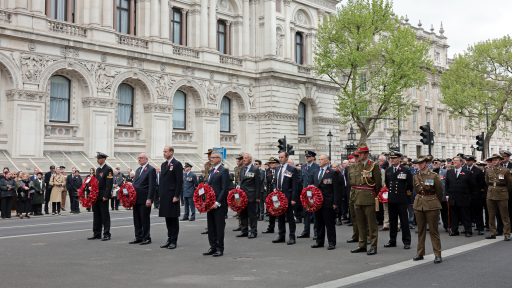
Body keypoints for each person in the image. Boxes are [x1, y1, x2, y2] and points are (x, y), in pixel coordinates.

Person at [350, 143, 381, 255]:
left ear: (367, 154)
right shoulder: (356, 166)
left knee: (371, 224)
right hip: (357, 197)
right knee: (360, 223)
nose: (360, 155)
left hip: (369, 198)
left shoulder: (373, 166)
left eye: (362, 153)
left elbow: (378, 184)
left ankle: (373, 246)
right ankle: (362, 244)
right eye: (359, 153)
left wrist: (373, 195)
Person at [412, 156, 443, 264]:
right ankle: (420, 253)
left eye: (422, 163)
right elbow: (416, 190)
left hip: (431, 204)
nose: (419, 165)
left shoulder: (433, 176)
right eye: (418, 163)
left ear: (426, 164)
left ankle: (437, 254)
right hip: (419, 204)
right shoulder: (416, 176)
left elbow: (439, 191)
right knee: (421, 230)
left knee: (433, 231)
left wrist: (435, 202)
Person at [202, 150, 230, 257]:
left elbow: (224, 189)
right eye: (211, 157)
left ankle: (220, 248)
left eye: (213, 157)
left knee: (219, 227)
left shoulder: (223, 171)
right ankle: (212, 246)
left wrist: (218, 203)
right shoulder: (211, 170)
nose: (211, 159)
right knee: (211, 226)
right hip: (210, 203)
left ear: (219, 159)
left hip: (218, 204)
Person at [384, 151, 413, 249]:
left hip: (401, 199)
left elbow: (410, 185)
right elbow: (387, 184)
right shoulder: (388, 170)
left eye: (394, 158)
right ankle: (392, 240)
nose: (392, 160)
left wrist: (406, 195)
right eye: (391, 158)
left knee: (404, 221)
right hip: (392, 198)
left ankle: (406, 241)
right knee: (392, 221)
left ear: (399, 159)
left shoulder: (405, 170)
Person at [311, 154, 341, 250]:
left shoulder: (332, 172)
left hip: (328, 202)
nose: (319, 161)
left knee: (329, 224)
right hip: (317, 203)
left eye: (322, 159)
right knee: (319, 223)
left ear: (327, 161)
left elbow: (336, 188)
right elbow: (314, 187)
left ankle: (331, 242)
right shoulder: (316, 172)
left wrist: (336, 203)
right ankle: (319, 241)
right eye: (319, 159)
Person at [159, 146, 183, 249]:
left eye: (165, 151)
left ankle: (174, 240)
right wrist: (160, 194)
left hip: (172, 195)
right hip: (165, 195)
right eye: (163, 151)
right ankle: (169, 239)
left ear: (171, 152)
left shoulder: (177, 164)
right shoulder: (163, 164)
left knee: (173, 219)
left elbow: (179, 181)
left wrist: (176, 195)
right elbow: (162, 181)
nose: (164, 153)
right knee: (167, 218)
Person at [129, 153, 156, 245]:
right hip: (136, 199)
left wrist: (149, 199)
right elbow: (135, 184)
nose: (139, 159)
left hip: (145, 199)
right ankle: (138, 237)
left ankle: (146, 237)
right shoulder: (138, 169)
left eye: (141, 158)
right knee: (136, 219)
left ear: (146, 159)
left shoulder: (151, 169)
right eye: (139, 158)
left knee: (144, 219)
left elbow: (152, 186)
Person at [445, 156, 475, 237]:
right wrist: (447, 194)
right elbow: (447, 184)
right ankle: (454, 230)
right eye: (453, 161)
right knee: (454, 215)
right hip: (453, 197)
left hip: (463, 197)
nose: (454, 162)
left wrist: (469, 195)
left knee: (465, 215)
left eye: (456, 161)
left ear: (461, 162)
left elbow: (472, 185)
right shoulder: (449, 172)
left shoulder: (467, 172)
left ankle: (468, 231)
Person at [272, 151, 298, 245]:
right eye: (279, 157)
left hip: (288, 196)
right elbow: (275, 181)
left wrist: (294, 198)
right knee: (280, 217)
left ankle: (292, 237)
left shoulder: (292, 169)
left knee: (290, 217)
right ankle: (281, 235)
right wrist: (274, 187)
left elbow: (295, 185)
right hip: (278, 196)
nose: (280, 159)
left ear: (287, 158)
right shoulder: (277, 168)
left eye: (282, 157)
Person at [87, 152, 114, 241]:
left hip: (103, 195)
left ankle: (106, 233)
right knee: (96, 214)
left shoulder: (108, 169)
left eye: (99, 158)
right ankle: (97, 233)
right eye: (97, 158)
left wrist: (106, 195)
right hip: (96, 195)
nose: (98, 160)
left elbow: (109, 184)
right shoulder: (98, 170)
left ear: (104, 159)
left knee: (104, 215)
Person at [486, 154, 512, 241]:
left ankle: (507, 234)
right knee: (491, 215)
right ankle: (492, 233)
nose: (494, 161)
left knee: (504, 215)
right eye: (493, 160)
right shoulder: (488, 170)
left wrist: (504, 191)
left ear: (500, 161)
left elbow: (509, 184)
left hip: (502, 194)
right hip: (491, 194)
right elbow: (487, 182)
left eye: (496, 160)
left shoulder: (505, 170)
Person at [237, 153, 262, 238]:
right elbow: (241, 179)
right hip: (242, 195)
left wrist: (257, 197)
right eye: (243, 158)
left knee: (252, 215)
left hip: (251, 195)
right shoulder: (243, 168)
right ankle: (244, 231)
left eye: (245, 158)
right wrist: (239, 185)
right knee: (243, 213)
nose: (243, 159)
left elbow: (258, 184)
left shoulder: (255, 169)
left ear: (250, 159)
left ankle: (253, 231)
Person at [299, 150, 319, 239]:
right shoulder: (303, 166)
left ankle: (316, 232)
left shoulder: (317, 166)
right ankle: (306, 231)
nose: (307, 158)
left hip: (314, 193)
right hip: (305, 193)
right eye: (306, 156)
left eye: (309, 156)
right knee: (305, 213)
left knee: (314, 213)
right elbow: (302, 179)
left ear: (313, 157)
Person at [465, 155, 486, 235]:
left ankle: (480, 228)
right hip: (466, 195)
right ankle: (467, 228)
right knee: (467, 213)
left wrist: (478, 192)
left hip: (476, 195)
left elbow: (481, 183)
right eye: (466, 161)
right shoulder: (463, 170)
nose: (467, 162)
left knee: (478, 212)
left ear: (473, 161)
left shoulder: (478, 170)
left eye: (469, 161)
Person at [262, 157, 279, 234]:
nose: (271, 164)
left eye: (273, 163)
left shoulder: (279, 171)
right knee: (271, 212)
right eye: (270, 163)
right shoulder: (268, 172)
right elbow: (267, 183)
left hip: (279, 195)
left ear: (277, 164)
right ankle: (271, 227)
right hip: (270, 194)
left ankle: (281, 229)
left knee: (279, 211)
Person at [201, 149, 215, 235]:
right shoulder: (206, 164)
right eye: (208, 155)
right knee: (208, 206)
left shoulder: (217, 164)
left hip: (214, 187)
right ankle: (209, 226)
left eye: (210, 154)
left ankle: (218, 224)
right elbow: (206, 177)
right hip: (207, 187)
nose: (208, 156)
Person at [233, 152, 245, 232]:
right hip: (237, 191)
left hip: (244, 190)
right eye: (237, 160)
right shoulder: (236, 168)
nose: (238, 161)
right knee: (239, 208)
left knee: (245, 208)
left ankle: (247, 225)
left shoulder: (245, 168)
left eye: (239, 160)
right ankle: (240, 225)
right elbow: (236, 179)